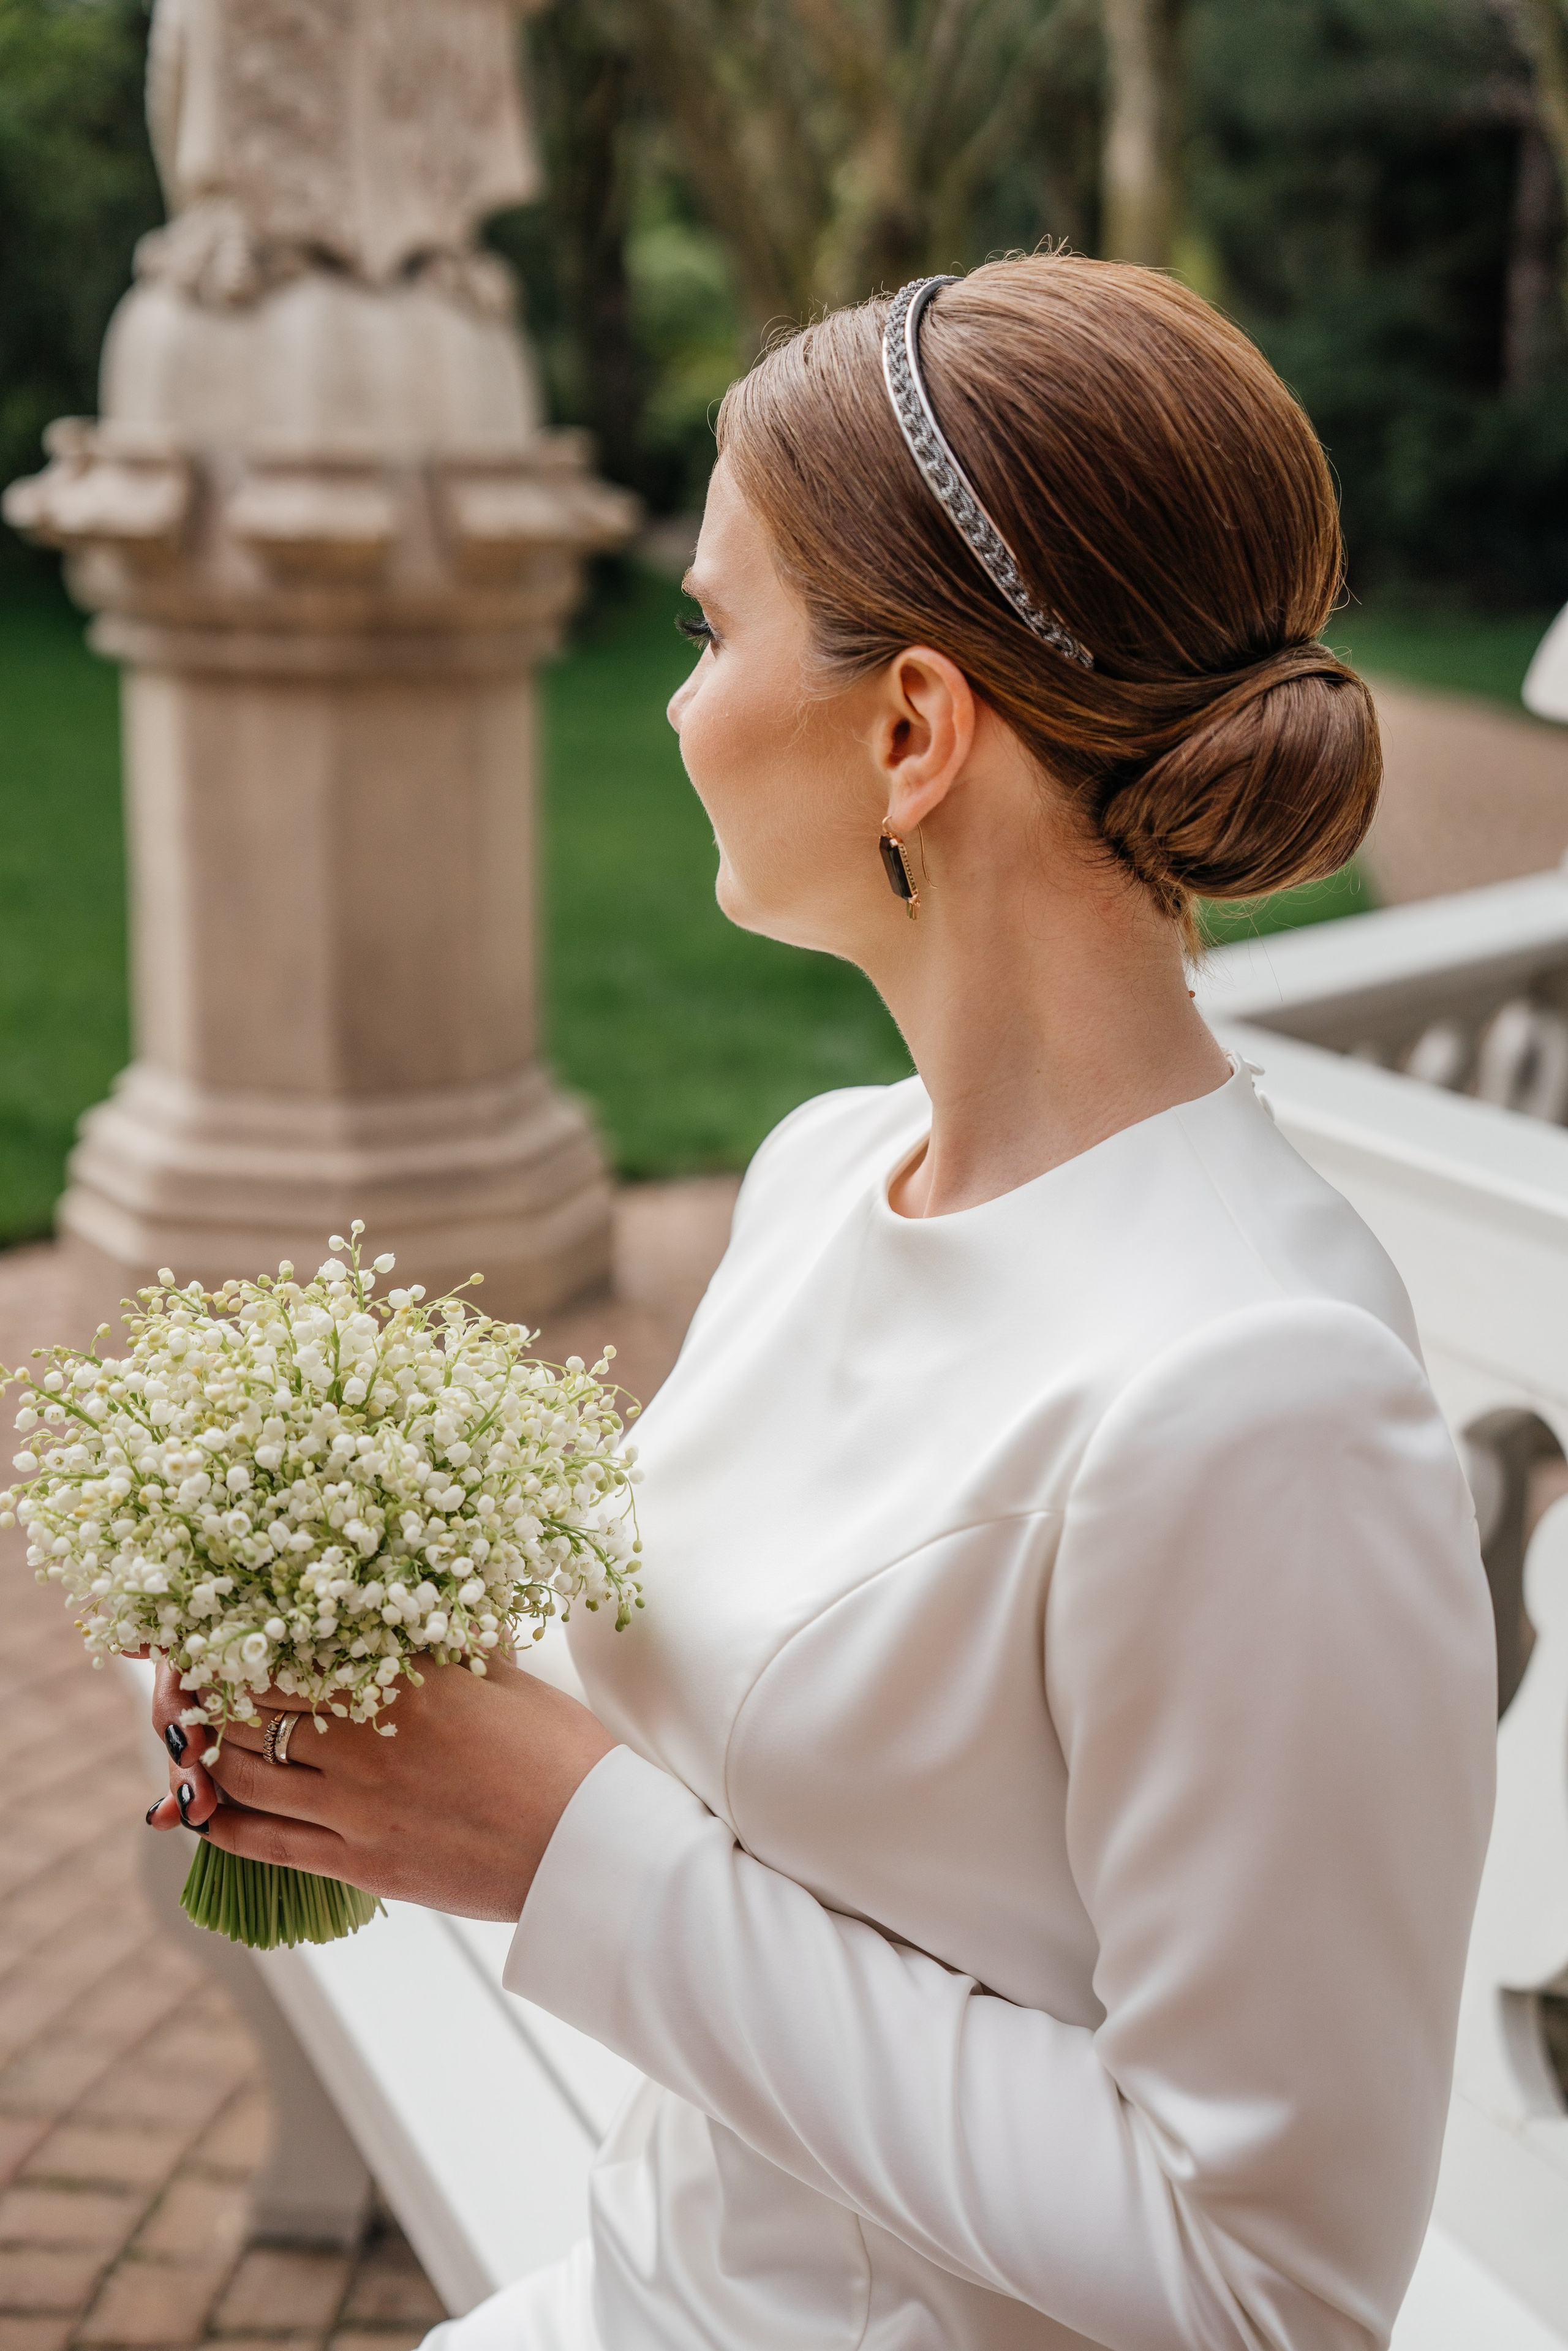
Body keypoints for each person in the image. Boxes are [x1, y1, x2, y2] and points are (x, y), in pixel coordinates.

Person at [149, 255, 1498, 2351]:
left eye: (709, 626)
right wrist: (358, 1699)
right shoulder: (821, 1176)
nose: (679, 701)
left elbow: (1269, 2288)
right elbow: (786, 1726)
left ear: (909, 727)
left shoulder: (1261, 1399)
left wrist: (571, 1849)